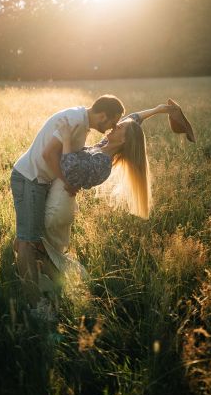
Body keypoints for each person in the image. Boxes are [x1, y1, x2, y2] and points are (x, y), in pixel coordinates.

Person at [11, 95, 126, 289]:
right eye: (113, 123)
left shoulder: (81, 120)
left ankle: (20, 271)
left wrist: (161, 110)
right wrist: (67, 183)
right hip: (29, 178)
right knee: (27, 241)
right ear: (103, 116)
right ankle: (32, 299)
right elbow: (48, 154)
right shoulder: (74, 121)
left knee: (31, 236)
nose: (112, 128)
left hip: (39, 181)